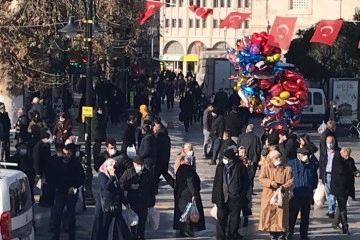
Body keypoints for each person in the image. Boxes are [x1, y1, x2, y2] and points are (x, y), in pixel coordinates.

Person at [91, 159, 133, 240]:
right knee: (104, 226)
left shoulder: (115, 174)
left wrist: (125, 202)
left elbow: (119, 189)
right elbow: (105, 187)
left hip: (115, 203)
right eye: (112, 166)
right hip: (105, 204)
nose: (113, 169)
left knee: (121, 225)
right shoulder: (102, 175)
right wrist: (112, 177)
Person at [212, 149, 249, 240]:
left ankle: (233, 235)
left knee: (234, 220)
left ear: (231, 159)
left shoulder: (240, 167)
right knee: (221, 219)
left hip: (235, 198)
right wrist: (215, 198)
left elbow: (246, 183)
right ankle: (220, 237)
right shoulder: (221, 167)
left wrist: (241, 195)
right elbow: (216, 183)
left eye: (226, 158)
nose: (224, 159)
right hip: (222, 197)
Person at [50, 145, 85, 240]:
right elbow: (52, 176)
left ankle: (71, 236)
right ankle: (56, 235)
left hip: (71, 192)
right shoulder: (57, 163)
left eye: (68, 154)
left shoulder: (76, 164)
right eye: (64, 153)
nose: (66, 156)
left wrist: (74, 187)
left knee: (71, 215)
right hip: (60, 192)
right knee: (57, 214)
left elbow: (81, 177)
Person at [258, 150, 293, 240]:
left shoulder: (287, 168)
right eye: (276, 158)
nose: (279, 159)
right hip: (269, 195)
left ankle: (282, 235)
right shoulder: (265, 167)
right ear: (271, 159)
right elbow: (261, 178)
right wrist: (270, 182)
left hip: (282, 196)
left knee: (281, 217)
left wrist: (283, 187)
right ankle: (273, 234)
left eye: (279, 157)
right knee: (270, 216)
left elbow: (291, 181)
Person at [120, 156, 156, 240]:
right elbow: (121, 183)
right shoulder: (128, 173)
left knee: (142, 220)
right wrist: (130, 186)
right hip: (133, 200)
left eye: (141, 164)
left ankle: (141, 236)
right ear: (134, 164)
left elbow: (152, 188)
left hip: (144, 200)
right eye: (138, 164)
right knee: (134, 220)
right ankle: (133, 235)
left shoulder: (147, 173)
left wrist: (152, 202)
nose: (140, 166)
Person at [287, 148, 318, 240]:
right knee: (292, 215)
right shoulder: (291, 164)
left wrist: (312, 188)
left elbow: (314, 178)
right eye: (304, 154)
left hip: (307, 194)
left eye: (307, 154)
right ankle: (290, 232)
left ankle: (304, 234)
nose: (306, 156)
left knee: (305, 217)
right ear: (298, 155)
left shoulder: (311, 165)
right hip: (295, 194)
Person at [173, 154, 205, 237]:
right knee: (189, 213)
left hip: (181, 195)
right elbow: (190, 182)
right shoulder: (189, 170)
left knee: (183, 213)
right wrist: (194, 193)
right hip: (188, 195)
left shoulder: (180, 169)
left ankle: (181, 229)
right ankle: (188, 230)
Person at [331, 147, 359, 234]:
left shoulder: (350, 160)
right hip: (339, 187)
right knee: (343, 208)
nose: (347, 157)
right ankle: (345, 226)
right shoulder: (337, 160)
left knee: (341, 205)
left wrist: (356, 172)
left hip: (347, 187)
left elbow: (352, 168)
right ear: (342, 154)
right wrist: (352, 173)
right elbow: (341, 171)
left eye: (348, 155)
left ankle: (335, 222)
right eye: (346, 155)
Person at [237, 124, 262, 194]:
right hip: (253, 159)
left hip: (242, 158)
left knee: (241, 174)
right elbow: (258, 149)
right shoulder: (256, 138)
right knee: (251, 176)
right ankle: (250, 190)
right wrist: (258, 159)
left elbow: (237, 147)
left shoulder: (241, 137)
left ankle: (242, 188)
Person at [318, 135, 339, 219]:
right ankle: (331, 209)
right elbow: (321, 165)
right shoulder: (324, 152)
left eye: (331, 142)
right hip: (326, 174)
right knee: (328, 194)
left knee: (333, 194)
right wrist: (320, 177)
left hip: (334, 174)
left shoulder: (338, 152)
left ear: (334, 142)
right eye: (328, 143)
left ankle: (331, 211)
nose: (330, 144)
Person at [153, 122, 173, 190]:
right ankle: (175, 185)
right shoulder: (166, 138)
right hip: (165, 159)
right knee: (164, 174)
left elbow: (157, 149)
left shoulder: (158, 138)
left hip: (159, 160)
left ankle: (154, 190)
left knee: (156, 176)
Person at [238, 146, 253, 227]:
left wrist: (248, 167)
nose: (243, 154)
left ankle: (246, 217)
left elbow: (251, 174)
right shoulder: (237, 162)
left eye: (244, 152)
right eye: (242, 153)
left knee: (246, 203)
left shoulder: (248, 162)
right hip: (239, 186)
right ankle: (238, 218)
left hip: (247, 186)